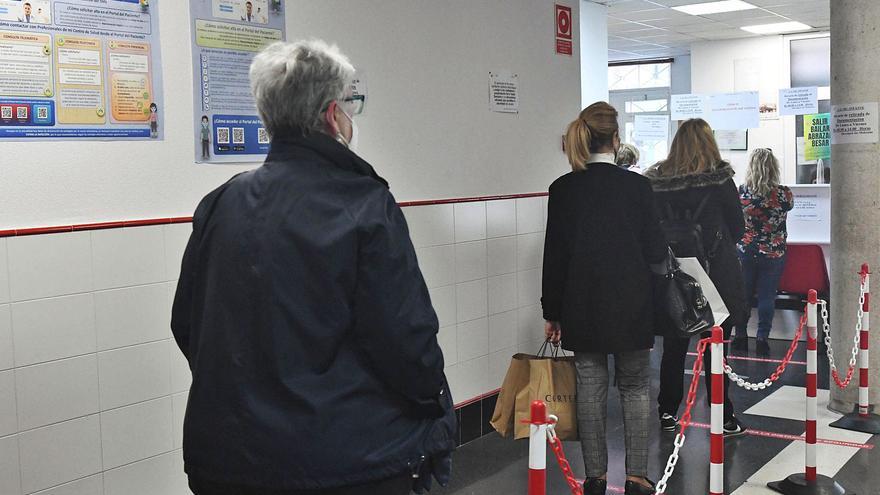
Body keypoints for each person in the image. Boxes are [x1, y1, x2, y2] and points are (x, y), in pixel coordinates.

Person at [171, 40, 455, 495]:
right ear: (330, 114)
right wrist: (435, 403)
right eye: (349, 104)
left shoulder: (220, 203)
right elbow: (406, 341)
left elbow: (187, 324)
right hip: (343, 464)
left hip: (226, 461)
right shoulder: (363, 203)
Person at [543, 102, 667, 495]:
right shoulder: (638, 187)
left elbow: (554, 256)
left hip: (580, 305)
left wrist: (552, 311)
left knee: (590, 390)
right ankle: (636, 476)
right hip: (632, 303)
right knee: (635, 388)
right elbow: (654, 251)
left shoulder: (562, 189)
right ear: (616, 139)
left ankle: (594, 476)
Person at [645, 118, 749, 437]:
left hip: (672, 274)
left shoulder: (657, 181)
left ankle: (666, 412)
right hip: (715, 273)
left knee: (674, 349)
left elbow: (649, 228)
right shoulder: (720, 182)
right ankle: (723, 416)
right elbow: (739, 228)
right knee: (715, 348)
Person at [734, 148, 794, 355]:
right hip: (773, 252)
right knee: (767, 297)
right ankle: (762, 338)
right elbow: (788, 207)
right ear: (773, 167)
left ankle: (740, 336)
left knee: (743, 296)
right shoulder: (783, 193)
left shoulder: (741, 191)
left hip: (746, 251)